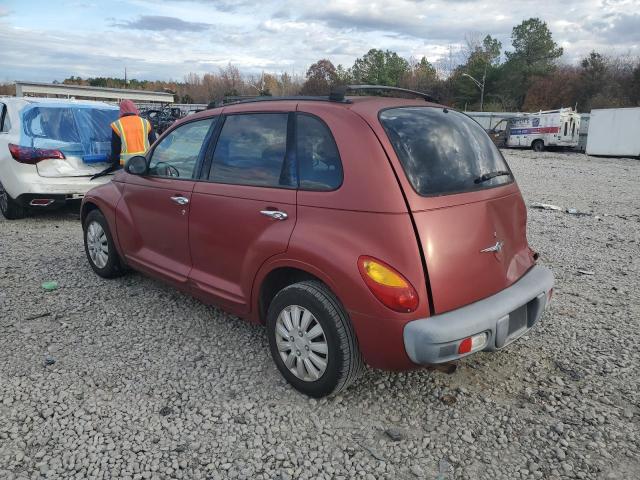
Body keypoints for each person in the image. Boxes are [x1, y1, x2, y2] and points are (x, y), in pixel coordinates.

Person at [110, 100, 156, 168]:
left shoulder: (117, 124)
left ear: (121, 110)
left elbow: (116, 148)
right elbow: (154, 142)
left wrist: (112, 159)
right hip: (144, 159)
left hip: (127, 163)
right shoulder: (146, 122)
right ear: (134, 108)